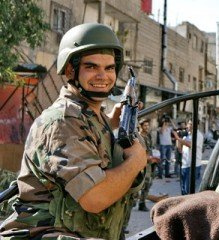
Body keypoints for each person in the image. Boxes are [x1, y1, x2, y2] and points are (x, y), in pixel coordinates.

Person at [0, 23, 147, 239]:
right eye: (92, 67)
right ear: (70, 70)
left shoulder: (89, 116)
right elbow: (95, 197)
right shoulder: (62, 120)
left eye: (109, 68)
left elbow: (85, 137)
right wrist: (136, 161)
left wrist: (111, 122)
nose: (103, 76)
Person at [174, 120, 204, 195]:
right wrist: (179, 137)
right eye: (189, 124)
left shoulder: (198, 135)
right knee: (183, 189)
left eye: (191, 124)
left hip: (193, 165)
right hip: (185, 164)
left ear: (196, 125)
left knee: (189, 189)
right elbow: (179, 149)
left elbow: (190, 145)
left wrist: (178, 138)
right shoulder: (187, 135)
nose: (189, 126)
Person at [137, 119, 160, 211]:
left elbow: (149, 149)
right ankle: (137, 201)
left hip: (149, 163)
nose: (147, 127)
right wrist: (150, 158)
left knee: (148, 183)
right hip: (142, 164)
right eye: (145, 126)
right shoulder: (139, 137)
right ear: (141, 126)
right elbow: (140, 153)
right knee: (142, 183)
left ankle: (141, 202)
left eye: (147, 125)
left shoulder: (147, 136)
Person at [158, 114, 175, 178]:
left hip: (169, 145)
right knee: (162, 160)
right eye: (166, 122)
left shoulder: (169, 128)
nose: (167, 123)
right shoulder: (160, 128)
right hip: (163, 145)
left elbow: (175, 128)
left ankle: (167, 174)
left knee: (168, 160)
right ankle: (160, 174)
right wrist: (163, 123)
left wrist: (171, 120)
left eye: (167, 122)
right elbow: (162, 132)